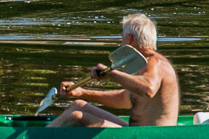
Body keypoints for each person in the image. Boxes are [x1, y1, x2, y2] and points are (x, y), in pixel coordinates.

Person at [49, 13, 180, 128]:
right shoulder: (142, 64)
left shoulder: (156, 63)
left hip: (151, 137)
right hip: (135, 131)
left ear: (129, 38)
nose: (122, 43)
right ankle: (38, 136)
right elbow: (124, 99)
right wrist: (81, 92)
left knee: (76, 116)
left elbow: (148, 89)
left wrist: (112, 74)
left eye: (122, 38)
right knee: (78, 105)